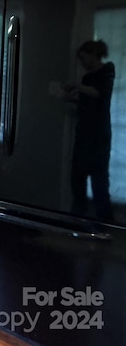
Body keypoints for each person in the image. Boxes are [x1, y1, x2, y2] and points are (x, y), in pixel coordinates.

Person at [65, 40, 115, 221]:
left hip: (99, 136)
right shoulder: (86, 78)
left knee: (99, 183)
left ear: (93, 53)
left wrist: (77, 87)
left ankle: (105, 225)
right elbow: (87, 102)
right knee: (77, 179)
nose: (83, 63)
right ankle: (77, 220)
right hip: (83, 134)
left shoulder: (107, 70)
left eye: (84, 58)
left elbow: (100, 94)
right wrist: (73, 99)